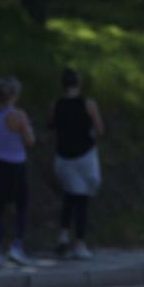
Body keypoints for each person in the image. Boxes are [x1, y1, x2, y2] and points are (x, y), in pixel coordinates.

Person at [0, 75, 35, 269]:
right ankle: (17, 245)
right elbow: (29, 141)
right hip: (15, 164)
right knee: (21, 205)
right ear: (15, 94)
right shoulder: (18, 115)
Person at [49, 68, 105, 259]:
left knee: (69, 196)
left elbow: (51, 125)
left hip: (64, 156)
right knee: (82, 199)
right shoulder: (88, 104)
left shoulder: (56, 104)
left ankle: (63, 235)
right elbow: (99, 129)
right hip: (85, 155)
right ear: (78, 84)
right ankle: (79, 242)